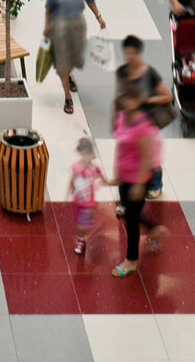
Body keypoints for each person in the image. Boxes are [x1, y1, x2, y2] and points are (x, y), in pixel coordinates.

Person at [45, 0, 107, 115]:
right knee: (62, 63)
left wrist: (98, 16)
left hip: (77, 23)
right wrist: (47, 26)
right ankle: (67, 97)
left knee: (75, 58)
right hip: (59, 24)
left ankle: (69, 74)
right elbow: (49, 7)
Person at [111, 89, 166, 277]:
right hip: (126, 177)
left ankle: (131, 261)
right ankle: (154, 229)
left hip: (138, 179)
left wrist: (138, 184)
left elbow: (146, 158)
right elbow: (119, 140)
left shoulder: (142, 126)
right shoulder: (123, 116)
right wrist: (117, 172)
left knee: (131, 220)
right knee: (133, 213)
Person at [113, 35, 171, 201]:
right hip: (128, 121)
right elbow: (118, 96)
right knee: (129, 156)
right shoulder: (122, 72)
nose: (130, 57)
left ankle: (156, 183)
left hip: (147, 122)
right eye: (127, 53)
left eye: (133, 53)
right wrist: (116, 116)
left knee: (152, 156)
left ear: (139, 53)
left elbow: (167, 96)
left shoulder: (149, 73)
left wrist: (146, 99)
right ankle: (125, 196)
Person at [68, 135, 108, 257]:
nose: (85, 157)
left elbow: (103, 179)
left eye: (88, 154)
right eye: (83, 153)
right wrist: (70, 190)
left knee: (81, 223)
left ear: (91, 154)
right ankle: (82, 237)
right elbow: (73, 178)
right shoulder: (76, 167)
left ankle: (81, 241)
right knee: (78, 222)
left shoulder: (94, 169)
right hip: (77, 201)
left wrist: (100, 183)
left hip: (88, 203)